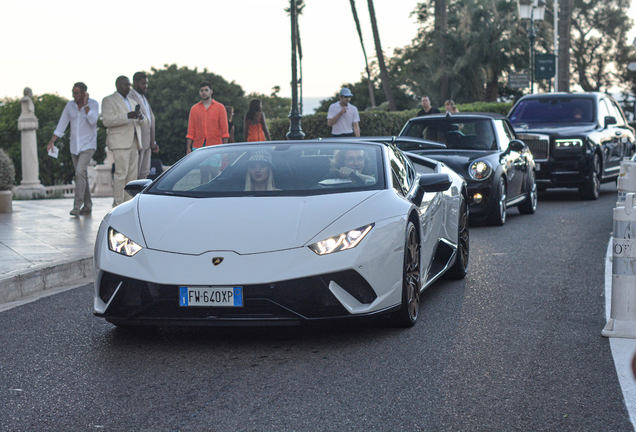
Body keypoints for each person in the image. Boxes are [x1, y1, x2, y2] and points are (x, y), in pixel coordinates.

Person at [47, 82, 99, 216]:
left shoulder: (93, 104)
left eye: (76, 93)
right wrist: (52, 141)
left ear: (84, 94)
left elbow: (93, 121)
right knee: (82, 175)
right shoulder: (69, 106)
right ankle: (88, 206)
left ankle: (77, 206)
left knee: (80, 172)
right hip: (74, 147)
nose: (73, 95)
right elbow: (62, 124)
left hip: (88, 145)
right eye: (73, 92)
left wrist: (86, 105)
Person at [102, 76, 148, 207]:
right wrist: (127, 116)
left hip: (134, 141)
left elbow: (145, 122)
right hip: (120, 143)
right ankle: (117, 205)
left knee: (132, 177)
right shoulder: (108, 100)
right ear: (118, 85)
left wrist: (140, 117)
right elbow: (106, 120)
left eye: (129, 85)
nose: (128, 87)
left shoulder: (133, 102)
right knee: (121, 175)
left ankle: (128, 205)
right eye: (125, 85)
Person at [129, 72, 159, 180]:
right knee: (135, 174)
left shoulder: (143, 98)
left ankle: (141, 197)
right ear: (135, 83)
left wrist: (153, 142)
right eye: (143, 83)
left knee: (144, 173)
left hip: (147, 143)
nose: (146, 86)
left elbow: (150, 120)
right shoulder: (130, 97)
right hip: (137, 143)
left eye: (147, 83)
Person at [186, 81, 229, 154]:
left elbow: (224, 129)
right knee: (198, 165)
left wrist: (225, 148)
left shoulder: (220, 107)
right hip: (197, 146)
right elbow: (191, 130)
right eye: (202, 90)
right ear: (199, 92)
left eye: (206, 90)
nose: (204, 92)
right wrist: (188, 148)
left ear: (211, 91)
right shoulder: (194, 109)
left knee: (214, 166)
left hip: (215, 145)